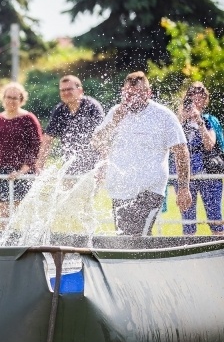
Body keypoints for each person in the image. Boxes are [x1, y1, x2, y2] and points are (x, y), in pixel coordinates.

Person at [92, 72, 191, 236]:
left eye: (137, 93)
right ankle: (146, 261)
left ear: (148, 93)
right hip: (121, 189)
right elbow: (96, 141)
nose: (132, 98)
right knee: (125, 238)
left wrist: (183, 188)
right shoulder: (116, 112)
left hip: (149, 189)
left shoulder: (163, 116)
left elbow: (181, 152)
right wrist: (114, 123)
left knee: (139, 236)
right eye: (128, 94)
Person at [0, 82, 42, 229]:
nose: (11, 100)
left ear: (21, 100)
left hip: (21, 173)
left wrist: (21, 171)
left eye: (15, 98)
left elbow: (35, 148)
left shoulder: (28, 119)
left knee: (18, 217)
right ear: (3, 98)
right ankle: (4, 249)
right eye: (8, 97)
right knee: (3, 218)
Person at [170, 82, 223, 236]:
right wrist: (183, 119)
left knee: (215, 218)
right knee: (188, 221)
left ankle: (219, 252)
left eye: (201, 98)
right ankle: (188, 250)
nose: (196, 101)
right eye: (193, 97)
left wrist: (199, 122)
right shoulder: (178, 121)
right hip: (185, 175)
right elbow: (171, 145)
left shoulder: (209, 120)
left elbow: (209, 145)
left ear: (205, 100)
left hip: (208, 174)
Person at [37, 75, 105, 178]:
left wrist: (102, 166)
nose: (65, 93)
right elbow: (47, 139)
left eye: (69, 89)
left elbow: (103, 137)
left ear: (80, 90)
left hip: (93, 165)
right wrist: (40, 165)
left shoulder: (92, 107)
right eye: (62, 90)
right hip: (69, 165)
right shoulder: (59, 110)